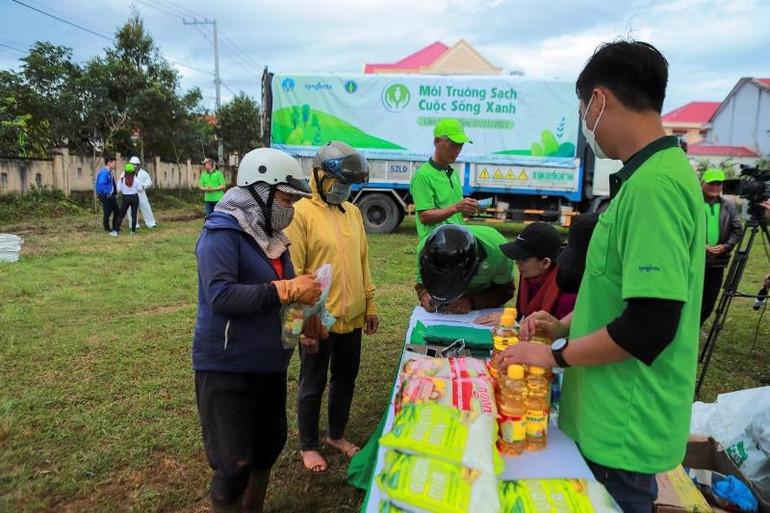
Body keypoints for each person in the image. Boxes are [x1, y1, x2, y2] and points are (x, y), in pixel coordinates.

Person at [499, 40, 705, 513]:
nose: (585, 125)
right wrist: (564, 325)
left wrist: (552, 355)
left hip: (621, 429)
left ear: (598, 101)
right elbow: (620, 293)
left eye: (582, 111)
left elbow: (650, 324)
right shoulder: (646, 177)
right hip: (605, 418)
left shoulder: (655, 187)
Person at [193, 147, 328, 513]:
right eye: (286, 199)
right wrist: (287, 289)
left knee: (267, 447)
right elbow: (221, 295)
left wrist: (303, 324)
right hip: (228, 366)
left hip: (269, 364)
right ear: (260, 191)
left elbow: (286, 300)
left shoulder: (273, 240)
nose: (290, 208)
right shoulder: (221, 233)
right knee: (233, 461)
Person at [284, 141, 379, 474]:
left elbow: (362, 262)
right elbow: (294, 272)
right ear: (319, 176)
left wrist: (369, 304)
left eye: (349, 183)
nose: (344, 188)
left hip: (351, 316)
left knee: (345, 378)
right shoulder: (300, 213)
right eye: (340, 181)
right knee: (312, 383)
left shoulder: (353, 213)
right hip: (317, 318)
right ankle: (308, 445)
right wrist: (300, 325)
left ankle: (336, 436)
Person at [475, 222, 577, 326]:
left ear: (545, 263)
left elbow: (557, 332)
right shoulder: (529, 277)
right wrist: (513, 319)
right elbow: (522, 315)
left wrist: (512, 323)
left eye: (523, 259)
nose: (516, 263)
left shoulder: (567, 293)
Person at [416, 224, 515, 314]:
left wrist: (472, 301)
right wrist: (426, 296)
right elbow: (421, 286)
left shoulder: (499, 253)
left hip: (481, 309)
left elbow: (504, 292)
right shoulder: (426, 250)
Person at [409, 118, 479, 241]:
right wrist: (456, 207)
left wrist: (469, 208)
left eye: (461, 146)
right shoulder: (423, 176)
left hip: (457, 241)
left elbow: (455, 213)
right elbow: (424, 217)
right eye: (453, 145)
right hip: (436, 245)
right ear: (437, 142)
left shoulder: (453, 174)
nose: (457, 150)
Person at [700, 168, 742, 326]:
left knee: (709, 298)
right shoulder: (694, 203)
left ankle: (698, 326)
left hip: (718, 262)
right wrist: (701, 246)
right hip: (696, 260)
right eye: (711, 183)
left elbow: (737, 230)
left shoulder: (728, 206)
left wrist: (725, 247)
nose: (715, 187)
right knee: (691, 296)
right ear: (702, 183)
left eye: (719, 184)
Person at [127, 156, 157, 229]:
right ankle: (134, 225)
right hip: (131, 194)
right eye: (132, 164)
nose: (134, 166)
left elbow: (149, 182)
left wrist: (143, 186)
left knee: (146, 208)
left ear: (138, 165)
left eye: (135, 164)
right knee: (131, 210)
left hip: (141, 194)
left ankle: (151, 223)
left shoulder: (144, 173)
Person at [95, 155, 120, 236]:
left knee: (117, 211)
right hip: (106, 196)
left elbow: (111, 183)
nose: (115, 165)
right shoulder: (104, 172)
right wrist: (107, 193)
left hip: (112, 195)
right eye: (114, 163)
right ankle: (107, 228)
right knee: (107, 212)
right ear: (109, 163)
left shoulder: (110, 172)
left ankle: (115, 227)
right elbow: (101, 184)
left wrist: (114, 192)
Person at [115, 163, 143, 236]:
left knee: (121, 215)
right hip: (134, 197)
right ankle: (133, 232)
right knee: (134, 215)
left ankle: (115, 231)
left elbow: (118, 190)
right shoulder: (136, 180)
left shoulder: (122, 180)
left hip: (125, 198)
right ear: (134, 171)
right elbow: (140, 190)